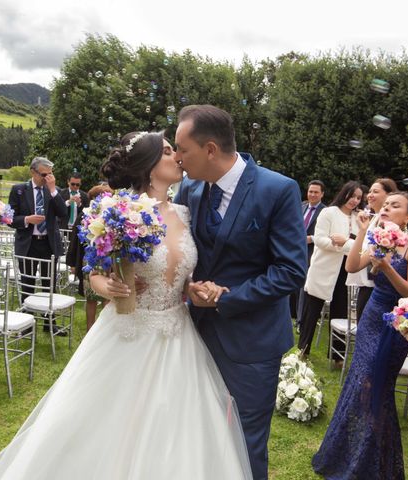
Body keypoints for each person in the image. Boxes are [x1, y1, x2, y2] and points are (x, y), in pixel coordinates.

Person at [0, 131, 253, 479]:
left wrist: (191, 286)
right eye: (169, 152)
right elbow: (93, 271)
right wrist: (106, 286)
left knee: (176, 429)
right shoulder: (116, 211)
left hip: (178, 334)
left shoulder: (186, 213)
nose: (178, 158)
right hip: (128, 331)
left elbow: (178, 269)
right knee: (105, 424)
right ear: (150, 165)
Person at [174, 105, 307, 480]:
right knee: (197, 433)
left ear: (211, 149)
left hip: (251, 342)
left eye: (183, 150)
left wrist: (226, 298)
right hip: (194, 336)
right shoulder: (190, 188)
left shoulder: (277, 189)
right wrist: (187, 285)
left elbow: (290, 271)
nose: (178, 159)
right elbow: (184, 253)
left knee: (245, 443)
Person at [312, 192, 408, 479]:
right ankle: (348, 455)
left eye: (395, 206)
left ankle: (375, 463)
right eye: (386, 205)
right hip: (372, 315)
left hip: (397, 322)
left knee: (376, 385)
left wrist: (387, 267)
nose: (387, 208)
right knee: (359, 381)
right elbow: (352, 266)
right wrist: (363, 231)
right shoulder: (378, 238)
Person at [297, 180, 362, 357]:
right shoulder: (329, 212)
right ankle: (303, 349)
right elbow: (320, 240)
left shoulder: (359, 218)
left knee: (340, 311)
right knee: (312, 310)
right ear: (344, 193)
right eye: (352, 196)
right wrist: (345, 245)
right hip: (324, 267)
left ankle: (336, 355)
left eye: (358, 198)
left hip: (346, 270)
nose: (354, 200)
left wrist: (345, 242)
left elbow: (362, 244)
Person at [8, 157, 68, 328]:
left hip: (49, 243)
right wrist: (27, 219)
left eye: (50, 174)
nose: (47, 178)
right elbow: (10, 218)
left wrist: (54, 190)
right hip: (28, 243)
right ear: (33, 172)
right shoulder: (19, 190)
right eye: (44, 174)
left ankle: (50, 322)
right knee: (27, 283)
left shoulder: (53, 190)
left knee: (50, 284)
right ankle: (26, 323)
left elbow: (63, 212)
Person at [346, 178, 398, 320]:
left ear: (389, 195)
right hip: (366, 284)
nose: (369, 195)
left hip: (378, 287)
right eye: (369, 191)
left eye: (375, 191)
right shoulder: (373, 220)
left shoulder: (388, 226)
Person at [66, 183, 112, 331]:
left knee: (103, 297)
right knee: (96, 298)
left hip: (104, 260)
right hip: (91, 260)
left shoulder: (110, 215)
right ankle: (93, 331)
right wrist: (73, 263)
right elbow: (75, 239)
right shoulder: (87, 215)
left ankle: (98, 331)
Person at [292, 180, 326, 324]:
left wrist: (311, 238)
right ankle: (291, 314)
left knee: (303, 286)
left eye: (316, 192)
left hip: (311, 252)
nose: (312, 194)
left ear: (322, 194)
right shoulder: (301, 206)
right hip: (294, 250)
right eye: (310, 191)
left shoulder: (325, 211)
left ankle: (301, 319)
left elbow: (327, 234)